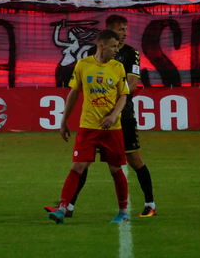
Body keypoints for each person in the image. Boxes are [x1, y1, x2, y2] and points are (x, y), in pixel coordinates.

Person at [47, 15, 157, 219]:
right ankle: (68, 206)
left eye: (125, 29)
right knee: (82, 164)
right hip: (93, 121)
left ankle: (150, 202)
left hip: (121, 116)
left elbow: (130, 85)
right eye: (120, 29)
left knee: (133, 160)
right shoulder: (90, 56)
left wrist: (110, 103)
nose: (124, 33)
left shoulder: (129, 54)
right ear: (106, 35)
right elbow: (77, 89)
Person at [47, 28, 131, 225]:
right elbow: (73, 94)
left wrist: (113, 116)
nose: (116, 50)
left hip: (112, 128)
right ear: (102, 46)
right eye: (113, 46)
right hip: (88, 127)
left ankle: (123, 211)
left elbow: (123, 96)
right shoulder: (83, 65)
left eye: (118, 46)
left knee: (115, 169)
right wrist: (63, 121)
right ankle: (62, 209)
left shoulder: (118, 67)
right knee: (77, 167)